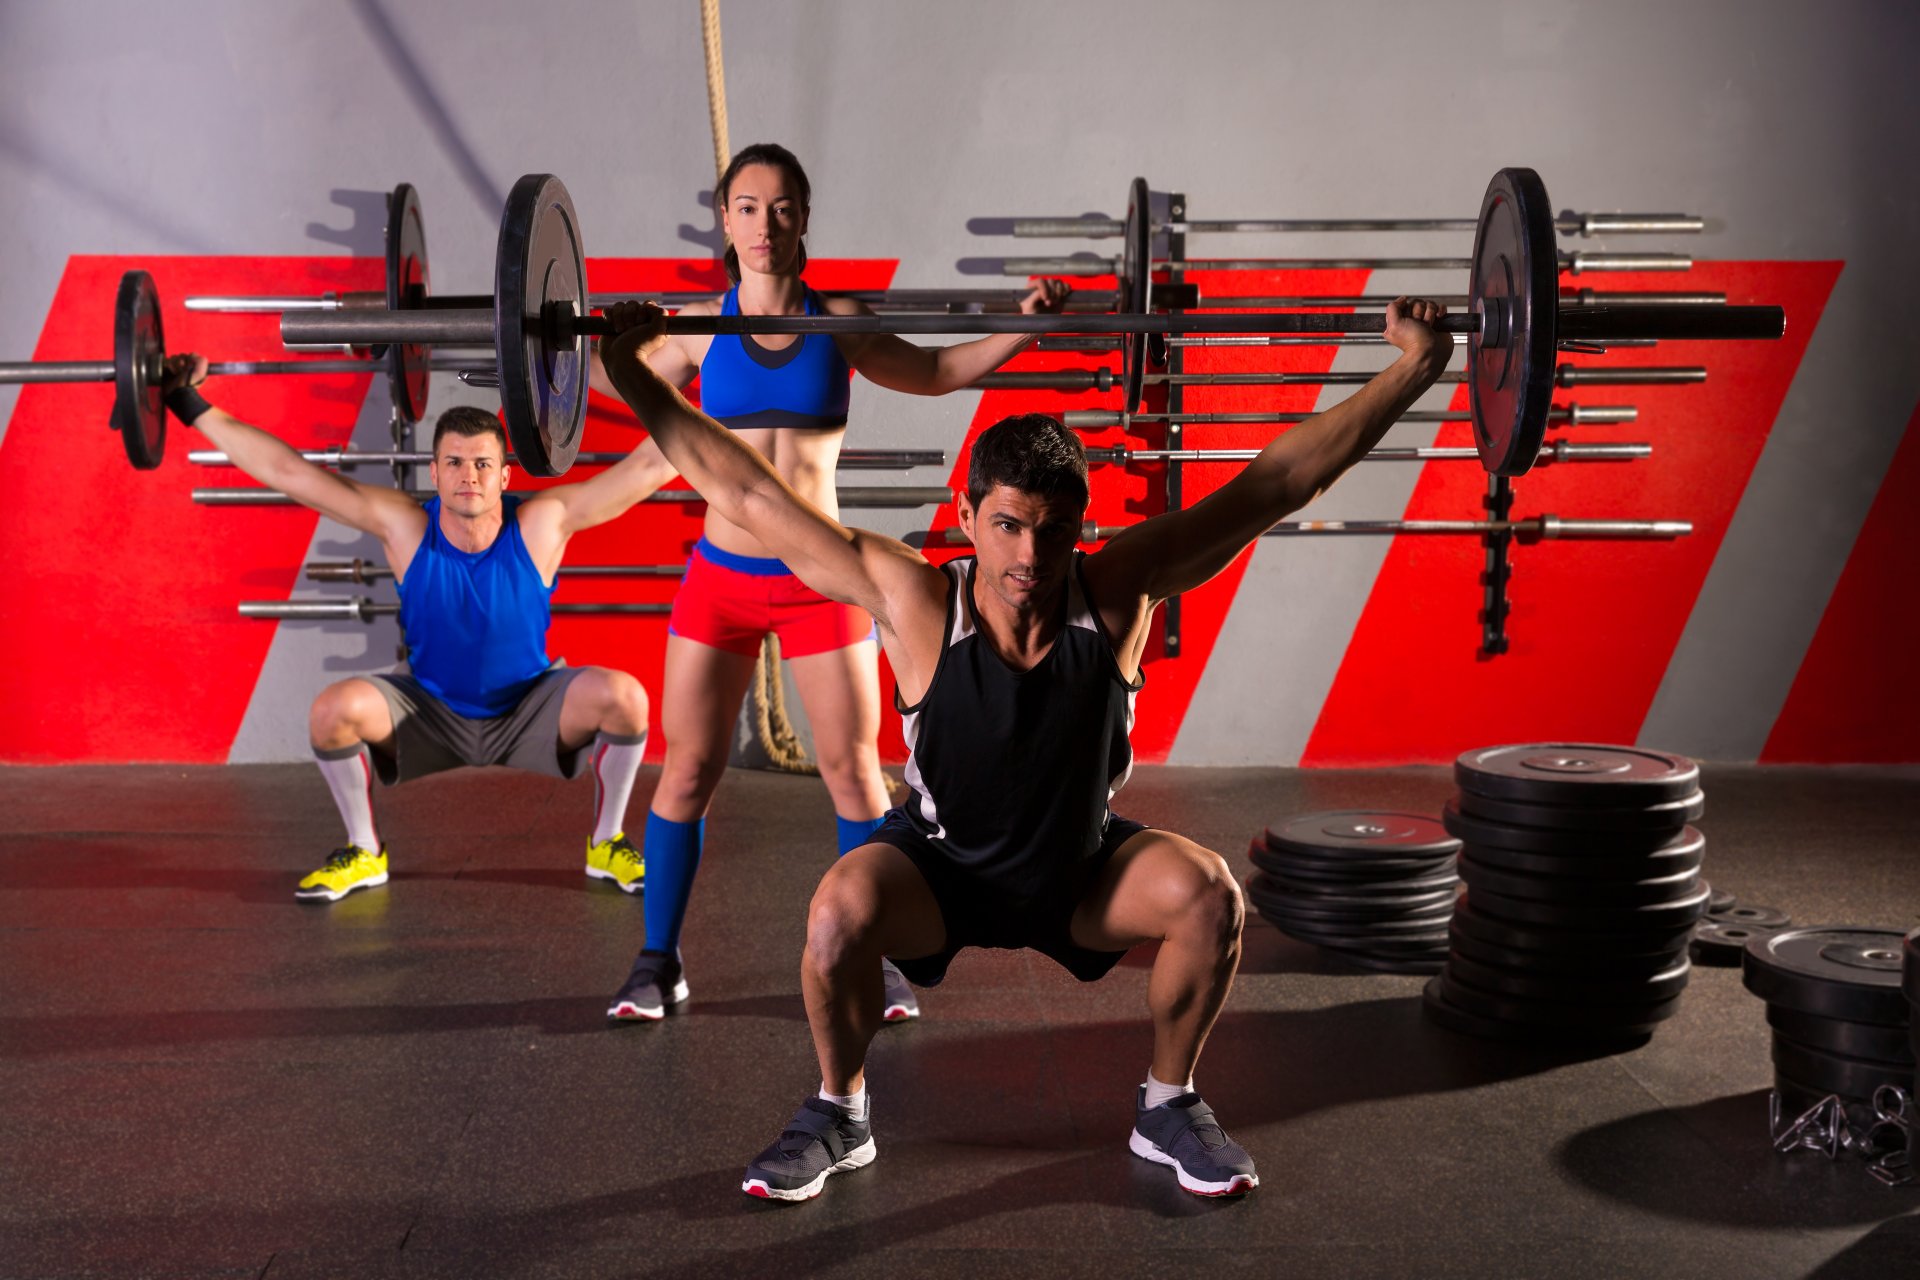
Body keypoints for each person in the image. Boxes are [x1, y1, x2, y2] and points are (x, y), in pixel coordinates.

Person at [598, 293, 1454, 1201]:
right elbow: (747, 492)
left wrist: (1415, 369)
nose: (1029, 556)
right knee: (837, 912)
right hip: (943, 876)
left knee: (1210, 897)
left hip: (1079, 877)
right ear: (969, 518)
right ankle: (840, 1112)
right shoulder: (918, 602)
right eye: (1007, 525)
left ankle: (1168, 1105)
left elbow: (1279, 483)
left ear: (1081, 525)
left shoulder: (1122, 588)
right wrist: (629, 373)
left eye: (1052, 529)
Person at [589, 142, 1070, 1023]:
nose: (764, 225)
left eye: (780, 208)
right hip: (720, 580)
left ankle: (879, 957)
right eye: (747, 207)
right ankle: (657, 961)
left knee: (855, 773)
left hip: (819, 579)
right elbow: (599, 383)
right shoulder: (696, 329)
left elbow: (929, 374)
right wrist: (589, 337)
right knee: (687, 770)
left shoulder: (834, 319)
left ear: (803, 218)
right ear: (724, 220)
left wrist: (1021, 327)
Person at [164, 356, 676, 902]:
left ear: (505, 475)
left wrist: (725, 390)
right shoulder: (405, 526)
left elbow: (649, 468)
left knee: (625, 697)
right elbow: (292, 474)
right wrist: (190, 405)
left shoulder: (543, 523)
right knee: (332, 711)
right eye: (454, 462)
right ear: (434, 472)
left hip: (528, 707)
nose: (468, 476)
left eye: (482, 464)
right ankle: (364, 852)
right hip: (427, 710)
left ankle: (607, 842)